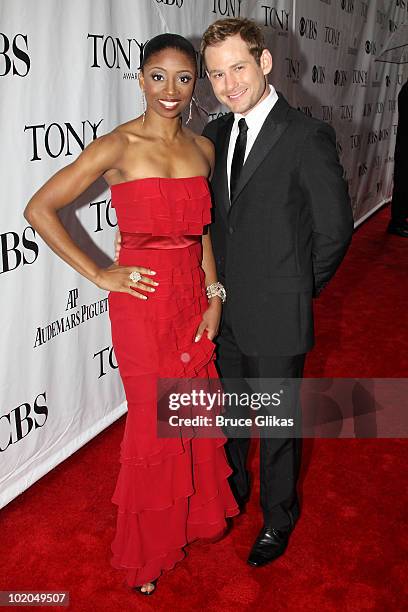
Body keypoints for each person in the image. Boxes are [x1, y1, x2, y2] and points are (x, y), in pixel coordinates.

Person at [24, 33, 239, 596]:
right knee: (152, 422)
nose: (170, 90)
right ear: (140, 79)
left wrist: (214, 292)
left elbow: (202, 230)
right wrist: (99, 274)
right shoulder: (117, 147)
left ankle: (188, 522)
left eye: (184, 78)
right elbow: (39, 209)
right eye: (158, 77)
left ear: (198, 86)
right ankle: (147, 555)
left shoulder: (203, 149)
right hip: (141, 307)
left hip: (193, 296)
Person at [199, 18, 354, 567]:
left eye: (238, 67)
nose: (228, 83)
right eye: (216, 73)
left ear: (264, 64)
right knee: (234, 417)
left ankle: (278, 517)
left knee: (279, 425)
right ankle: (234, 493)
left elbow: (335, 231)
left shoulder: (306, 134)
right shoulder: (213, 136)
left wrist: (294, 290)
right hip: (224, 312)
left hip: (279, 313)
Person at [387, 78, 408, 237]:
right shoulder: (407, 91)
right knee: (403, 184)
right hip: (406, 148)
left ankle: (401, 219)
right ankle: (396, 223)